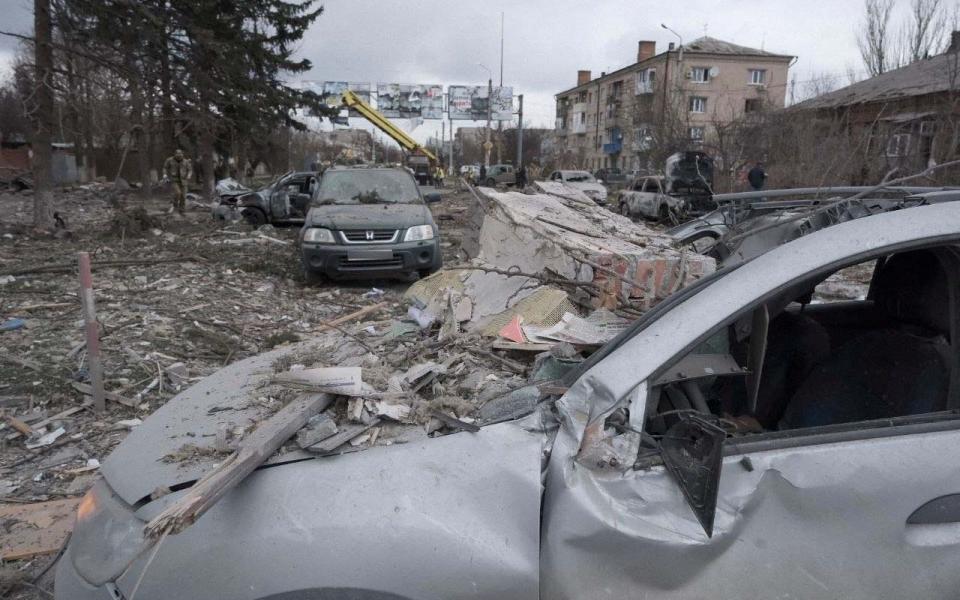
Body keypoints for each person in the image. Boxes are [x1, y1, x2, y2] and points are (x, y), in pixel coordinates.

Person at [163, 149, 193, 214]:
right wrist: (165, 175)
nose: (179, 155)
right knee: (178, 193)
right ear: (175, 154)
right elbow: (165, 167)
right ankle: (175, 204)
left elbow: (190, 170)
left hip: (184, 181)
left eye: (181, 154)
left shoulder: (186, 161)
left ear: (182, 154)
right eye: (178, 154)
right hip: (174, 180)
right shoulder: (169, 160)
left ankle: (182, 210)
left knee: (184, 196)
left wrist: (189, 175)